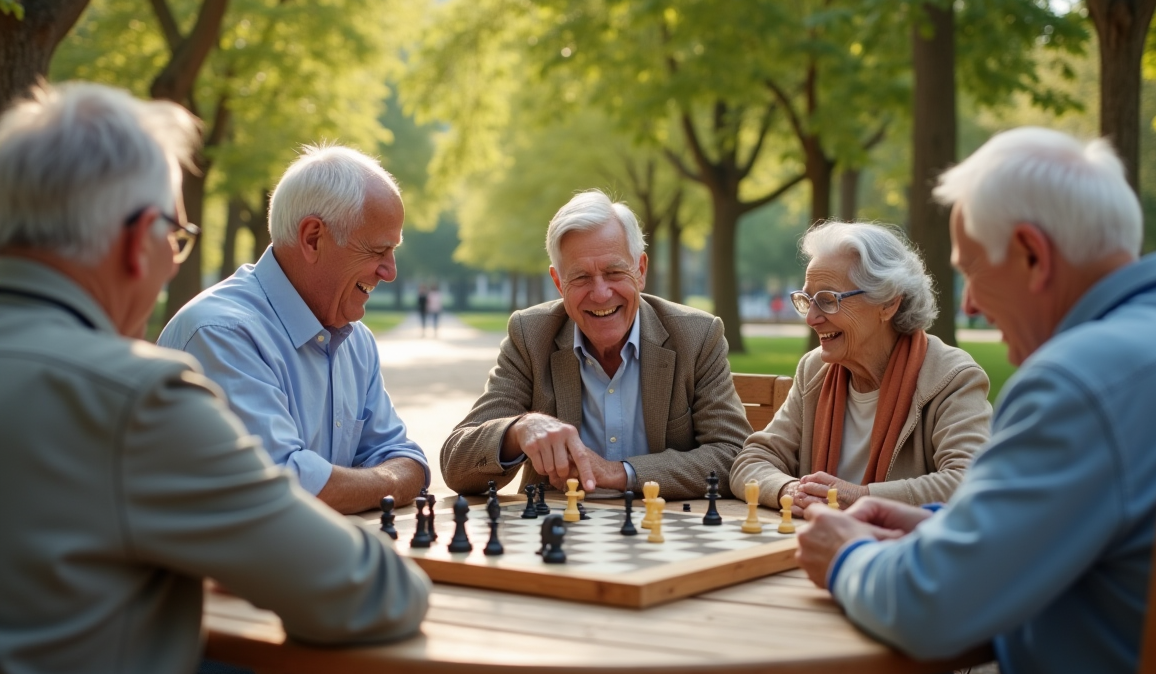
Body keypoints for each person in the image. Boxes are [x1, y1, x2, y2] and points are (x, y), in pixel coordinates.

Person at [0, 83, 429, 674]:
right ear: (136, 240)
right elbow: (367, 592)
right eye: (175, 238)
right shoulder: (135, 398)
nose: (175, 266)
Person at [789, 127, 1156, 674]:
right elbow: (1082, 528)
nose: (969, 305)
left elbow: (929, 608)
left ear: (1033, 255)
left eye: (974, 271)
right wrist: (936, 525)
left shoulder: (1076, 382)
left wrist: (845, 555)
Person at [159, 144, 429, 516]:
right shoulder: (221, 333)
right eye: (378, 250)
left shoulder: (356, 342)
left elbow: (406, 458)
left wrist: (367, 481)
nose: (390, 271)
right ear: (313, 238)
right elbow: (283, 487)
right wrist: (389, 482)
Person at [441, 190, 751, 500]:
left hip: (662, 531)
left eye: (614, 272)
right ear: (559, 283)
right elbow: (456, 464)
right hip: (558, 536)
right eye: (580, 277)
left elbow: (732, 454)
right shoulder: (531, 335)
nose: (601, 294)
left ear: (640, 270)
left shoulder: (696, 336)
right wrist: (519, 429)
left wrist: (618, 472)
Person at [730, 222, 991, 512]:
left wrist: (861, 497)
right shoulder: (815, 369)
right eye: (808, 300)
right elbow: (752, 460)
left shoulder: (951, 376)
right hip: (816, 546)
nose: (812, 318)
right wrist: (789, 490)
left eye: (828, 300)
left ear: (888, 303)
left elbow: (969, 480)